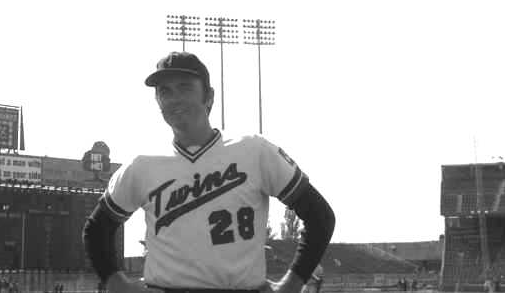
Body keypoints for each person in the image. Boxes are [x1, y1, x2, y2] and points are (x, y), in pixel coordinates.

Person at [84, 51, 336, 293]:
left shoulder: (254, 151)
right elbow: (97, 229)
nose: (174, 99)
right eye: (165, 92)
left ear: (209, 97)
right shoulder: (142, 165)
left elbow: (320, 216)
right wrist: (117, 284)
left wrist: (292, 285)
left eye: (185, 87)